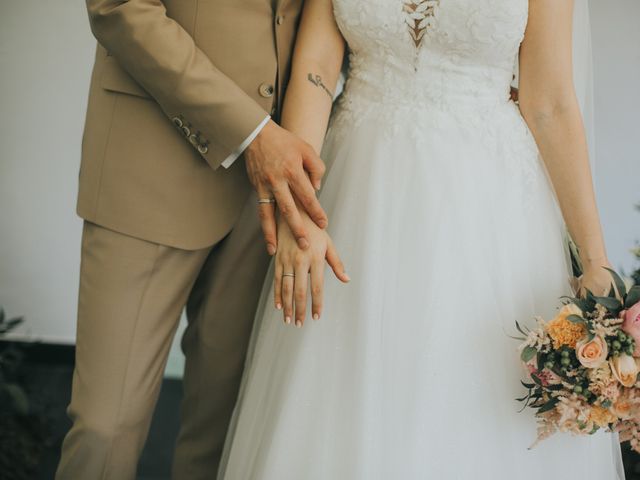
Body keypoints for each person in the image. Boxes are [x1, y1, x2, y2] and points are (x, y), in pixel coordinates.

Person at [219, 0, 626, 478]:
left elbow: (549, 101)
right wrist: (300, 215)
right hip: (357, 190)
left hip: (488, 210)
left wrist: (595, 261)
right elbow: (316, 68)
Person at [55, 1, 346, 479]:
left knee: (222, 425)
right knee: (106, 426)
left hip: (273, 194)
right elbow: (119, 7)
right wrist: (251, 135)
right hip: (149, 158)